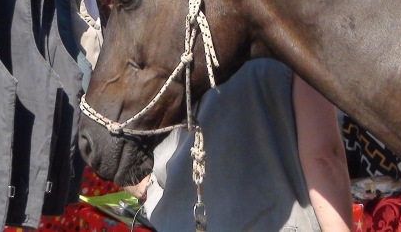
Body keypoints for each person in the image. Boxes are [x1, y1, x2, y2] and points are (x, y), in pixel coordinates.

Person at [126, 59, 353, 232]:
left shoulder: (157, 23)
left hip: (181, 222)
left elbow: (113, 130)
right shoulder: (293, 31)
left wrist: (146, 188)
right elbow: (323, 158)